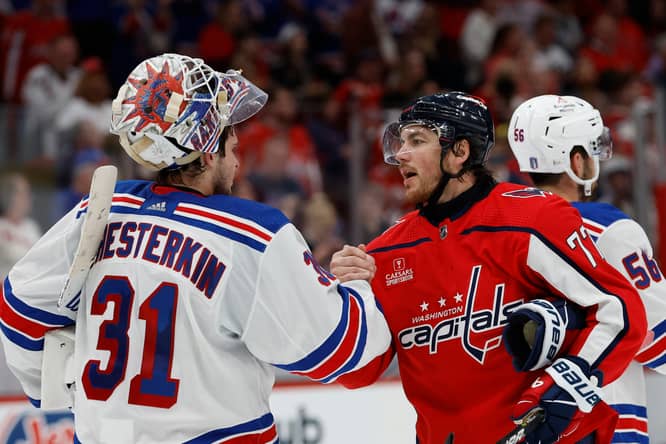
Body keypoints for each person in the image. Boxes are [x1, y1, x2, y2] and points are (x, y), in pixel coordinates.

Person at [0, 53, 391, 443]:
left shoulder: (100, 211)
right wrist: (356, 286)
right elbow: (350, 359)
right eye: (230, 140)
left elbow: (19, 309)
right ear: (207, 151)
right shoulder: (252, 233)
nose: (237, 152)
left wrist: (57, 386)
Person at [330, 91, 647, 443]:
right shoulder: (386, 255)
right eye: (400, 142)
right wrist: (347, 297)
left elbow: (619, 310)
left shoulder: (532, 219)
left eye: (416, 140)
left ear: (460, 152)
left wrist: (570, 382)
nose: (400, 154)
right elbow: (358, 374)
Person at [507, 94, 666, 443]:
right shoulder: (608, 228)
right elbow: (660, 339)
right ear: (576, 161)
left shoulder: (496, 232)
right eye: (592, 150)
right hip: (605, 424)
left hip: (520, 423)